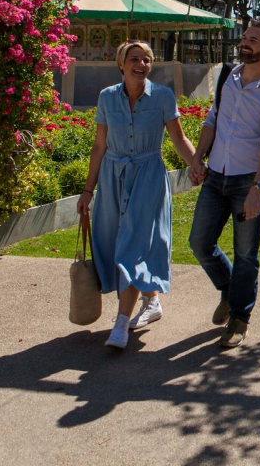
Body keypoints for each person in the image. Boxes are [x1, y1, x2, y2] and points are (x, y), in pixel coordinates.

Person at [77, 40, 197, 350]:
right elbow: (99, 146)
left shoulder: (162, 97)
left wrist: (199, 167)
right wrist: (87, 191)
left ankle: (120, 324)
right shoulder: (106, 98)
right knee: (116, 242)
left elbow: (179, 139)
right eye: (134, 59)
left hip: (148, 179)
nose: (141, 64)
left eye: (146, 60)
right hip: (113, 179)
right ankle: (152, 301)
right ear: (121, 64)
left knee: (130, 249)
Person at [189, 18, 260, 349]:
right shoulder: (227, 77)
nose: (245, 43)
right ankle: (230, 291)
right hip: (216, 176)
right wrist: (197, 158)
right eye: (244, 37)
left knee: (246, 254)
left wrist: (257, 188)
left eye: (253, 40)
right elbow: (212, 119)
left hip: (248, 180)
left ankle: (240, 317)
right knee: (200, 243)